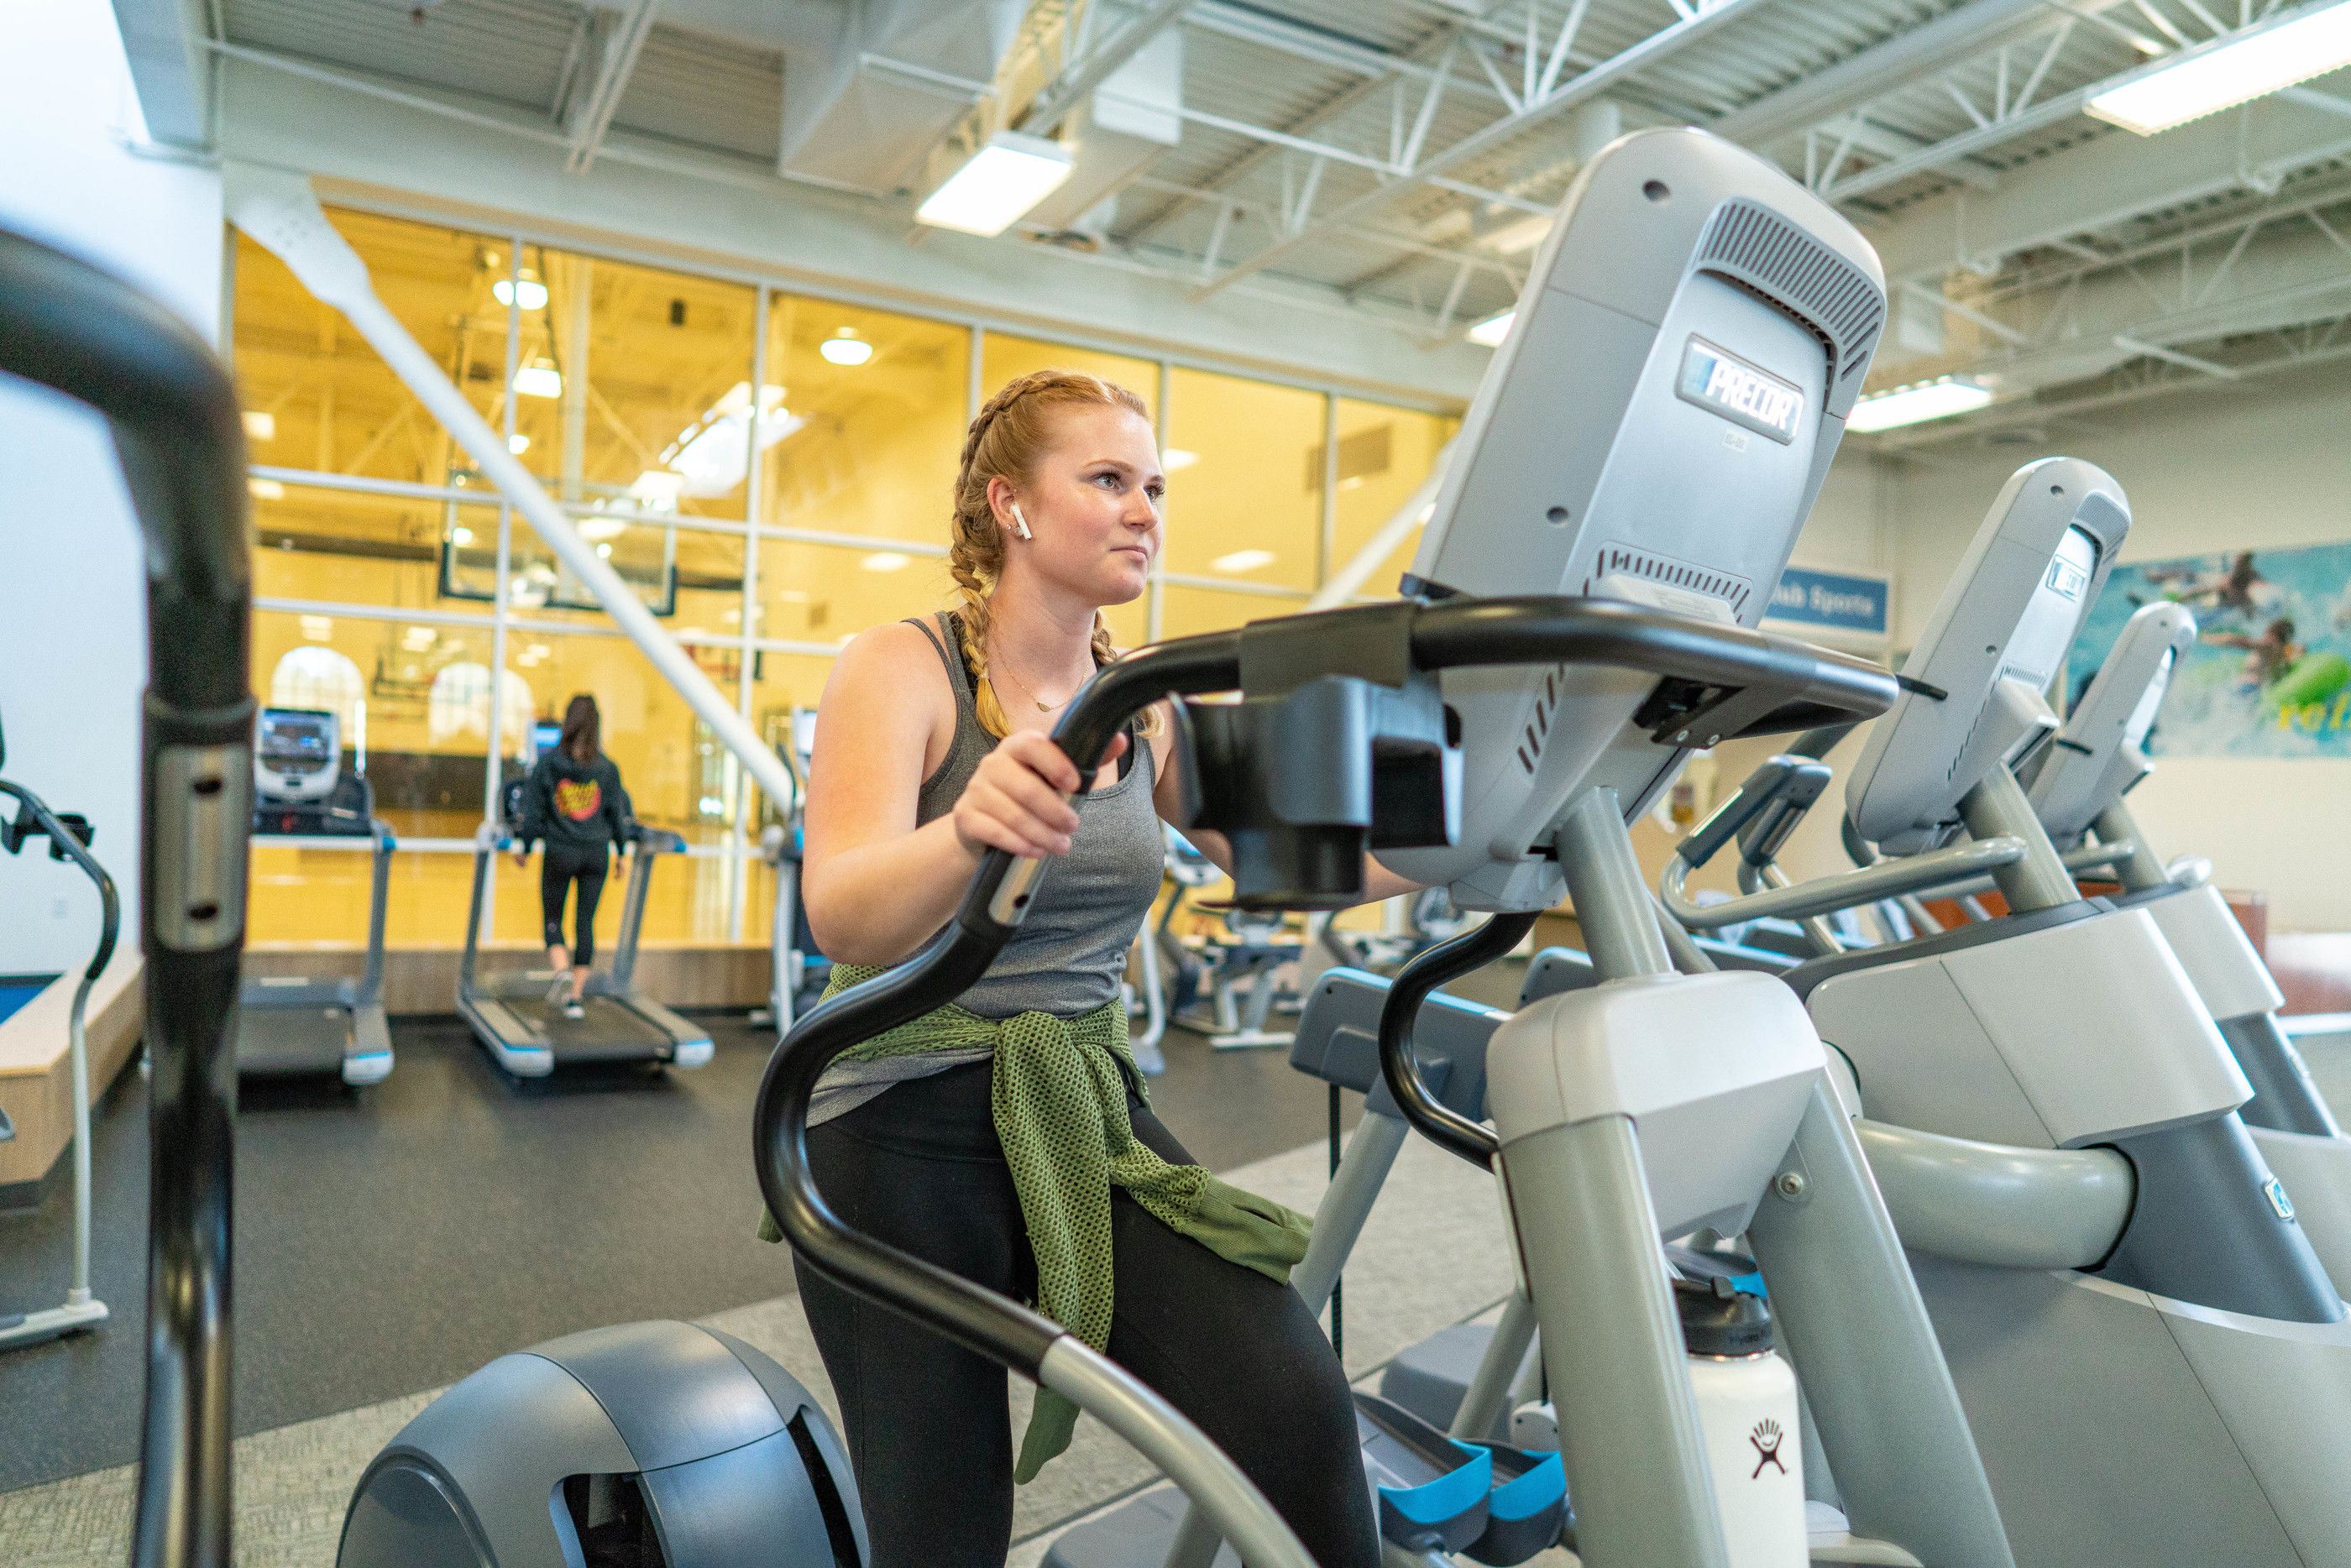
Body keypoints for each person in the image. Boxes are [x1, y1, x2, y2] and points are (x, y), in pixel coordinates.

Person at [785, 369, 1418, 1568]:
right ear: (1012, 506)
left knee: (1292, 1406)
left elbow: (1292, 862)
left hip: (1079, 1110)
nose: (1145, 510)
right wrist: (968, 823)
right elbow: (842, 914)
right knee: (945, 1526)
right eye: (1109, 480)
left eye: (1156, 486)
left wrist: (1481, 847)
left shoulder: (1147, 701)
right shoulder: (902, 666)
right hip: (894, 1123)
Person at [515, 693, 631, 1020]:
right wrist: (622, 852)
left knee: (553, 917)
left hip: (560, 851)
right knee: (585, 923)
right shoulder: (608, 769)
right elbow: (615, 814)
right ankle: (575, 999)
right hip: (596, 855)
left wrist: (524, 847)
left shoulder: (549, 764)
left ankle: (562, 973)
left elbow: (535, 812)